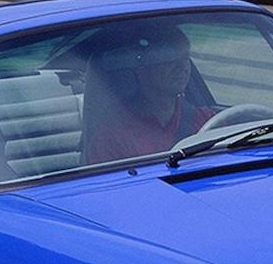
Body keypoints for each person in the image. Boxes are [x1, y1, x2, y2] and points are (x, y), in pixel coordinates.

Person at [84, 22, 215, 165]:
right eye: (169, 59)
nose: (182, 67)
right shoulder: (111, 138)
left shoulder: (209, 122)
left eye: (185, 58)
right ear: (141, 68)